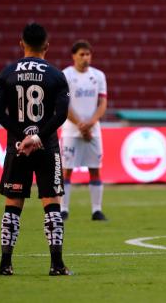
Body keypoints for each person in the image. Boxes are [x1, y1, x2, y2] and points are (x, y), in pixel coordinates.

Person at [0, 23, 72, 275]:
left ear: (21, 44)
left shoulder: (7, 73)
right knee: (52, 204)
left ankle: (5, 265)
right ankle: (56, 265)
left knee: (12, 205)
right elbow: (61, 115)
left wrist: (22, 136)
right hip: (47, 146)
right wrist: (38, 136)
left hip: (17, 147)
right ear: (47, 46)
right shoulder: (56, 75)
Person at [60, 40, 108, 221]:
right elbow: (64, 104)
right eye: (81, 54)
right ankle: (63, 209)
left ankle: (97, 210)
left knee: (95, 169)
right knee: (67, 170)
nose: (85, 58)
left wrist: (91, 123)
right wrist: (80, 124)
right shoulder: (66, 75)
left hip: (93, 130)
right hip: (71, 130)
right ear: (74, 56)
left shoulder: (98, 76)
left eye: (88, 54)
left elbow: (103, 102)